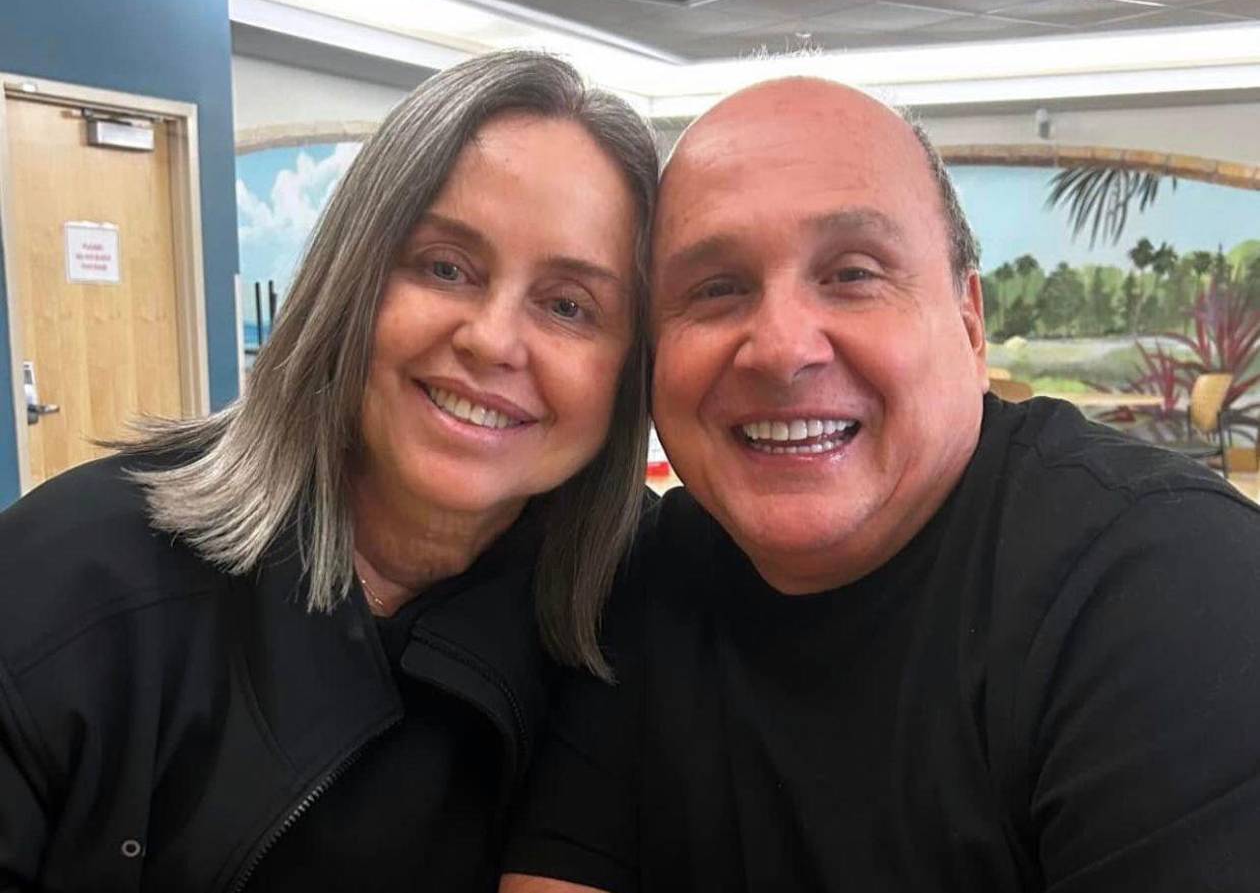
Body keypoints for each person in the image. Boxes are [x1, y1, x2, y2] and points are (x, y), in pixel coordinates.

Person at [501, 77, 1260, 892]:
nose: (781, 348)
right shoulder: (639, 581)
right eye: (717, 288)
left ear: (969, 322)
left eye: (853, 273)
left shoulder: (1167, 580)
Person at [0, 49, 658, 891]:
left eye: (569, 306)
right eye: (444, 266)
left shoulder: (640, 606)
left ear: (628, 369)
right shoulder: (62, 589)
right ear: (350, 278)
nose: (493, 340)